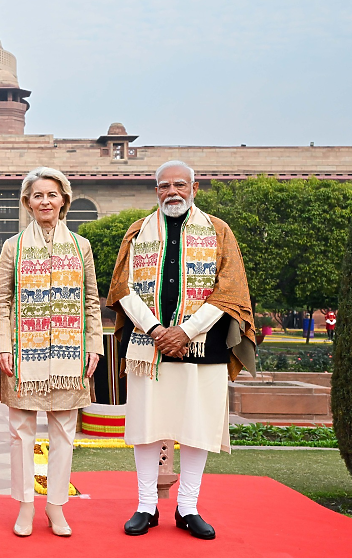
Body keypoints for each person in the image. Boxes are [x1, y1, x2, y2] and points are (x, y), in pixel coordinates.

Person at [107, 160, 255, 540]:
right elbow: (122, 288)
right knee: (146, 428)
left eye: (179, 185)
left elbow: (230, 290)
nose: (171, 192)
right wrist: (157, 330)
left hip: (204, 347)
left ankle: (187, 508)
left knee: (196, 428)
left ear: (195, 188)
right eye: (163, 186)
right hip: (147, 346)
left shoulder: (218, 230)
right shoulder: (137, 232)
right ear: (155, 191)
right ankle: (146, 506)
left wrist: (186, 331)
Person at [0, 167, 103, 537]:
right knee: (21, 431)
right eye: (37, 195)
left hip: (70, 352)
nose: (45, 202)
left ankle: (55, 506)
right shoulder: (14, 246)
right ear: (27, 203)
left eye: (52, 195)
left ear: (64, 200)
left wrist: (94, 346)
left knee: (64, 432)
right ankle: (25, 505)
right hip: (24, 352)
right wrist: (2, 346)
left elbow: (90, 301)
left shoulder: (80, 246)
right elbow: (2, 301)